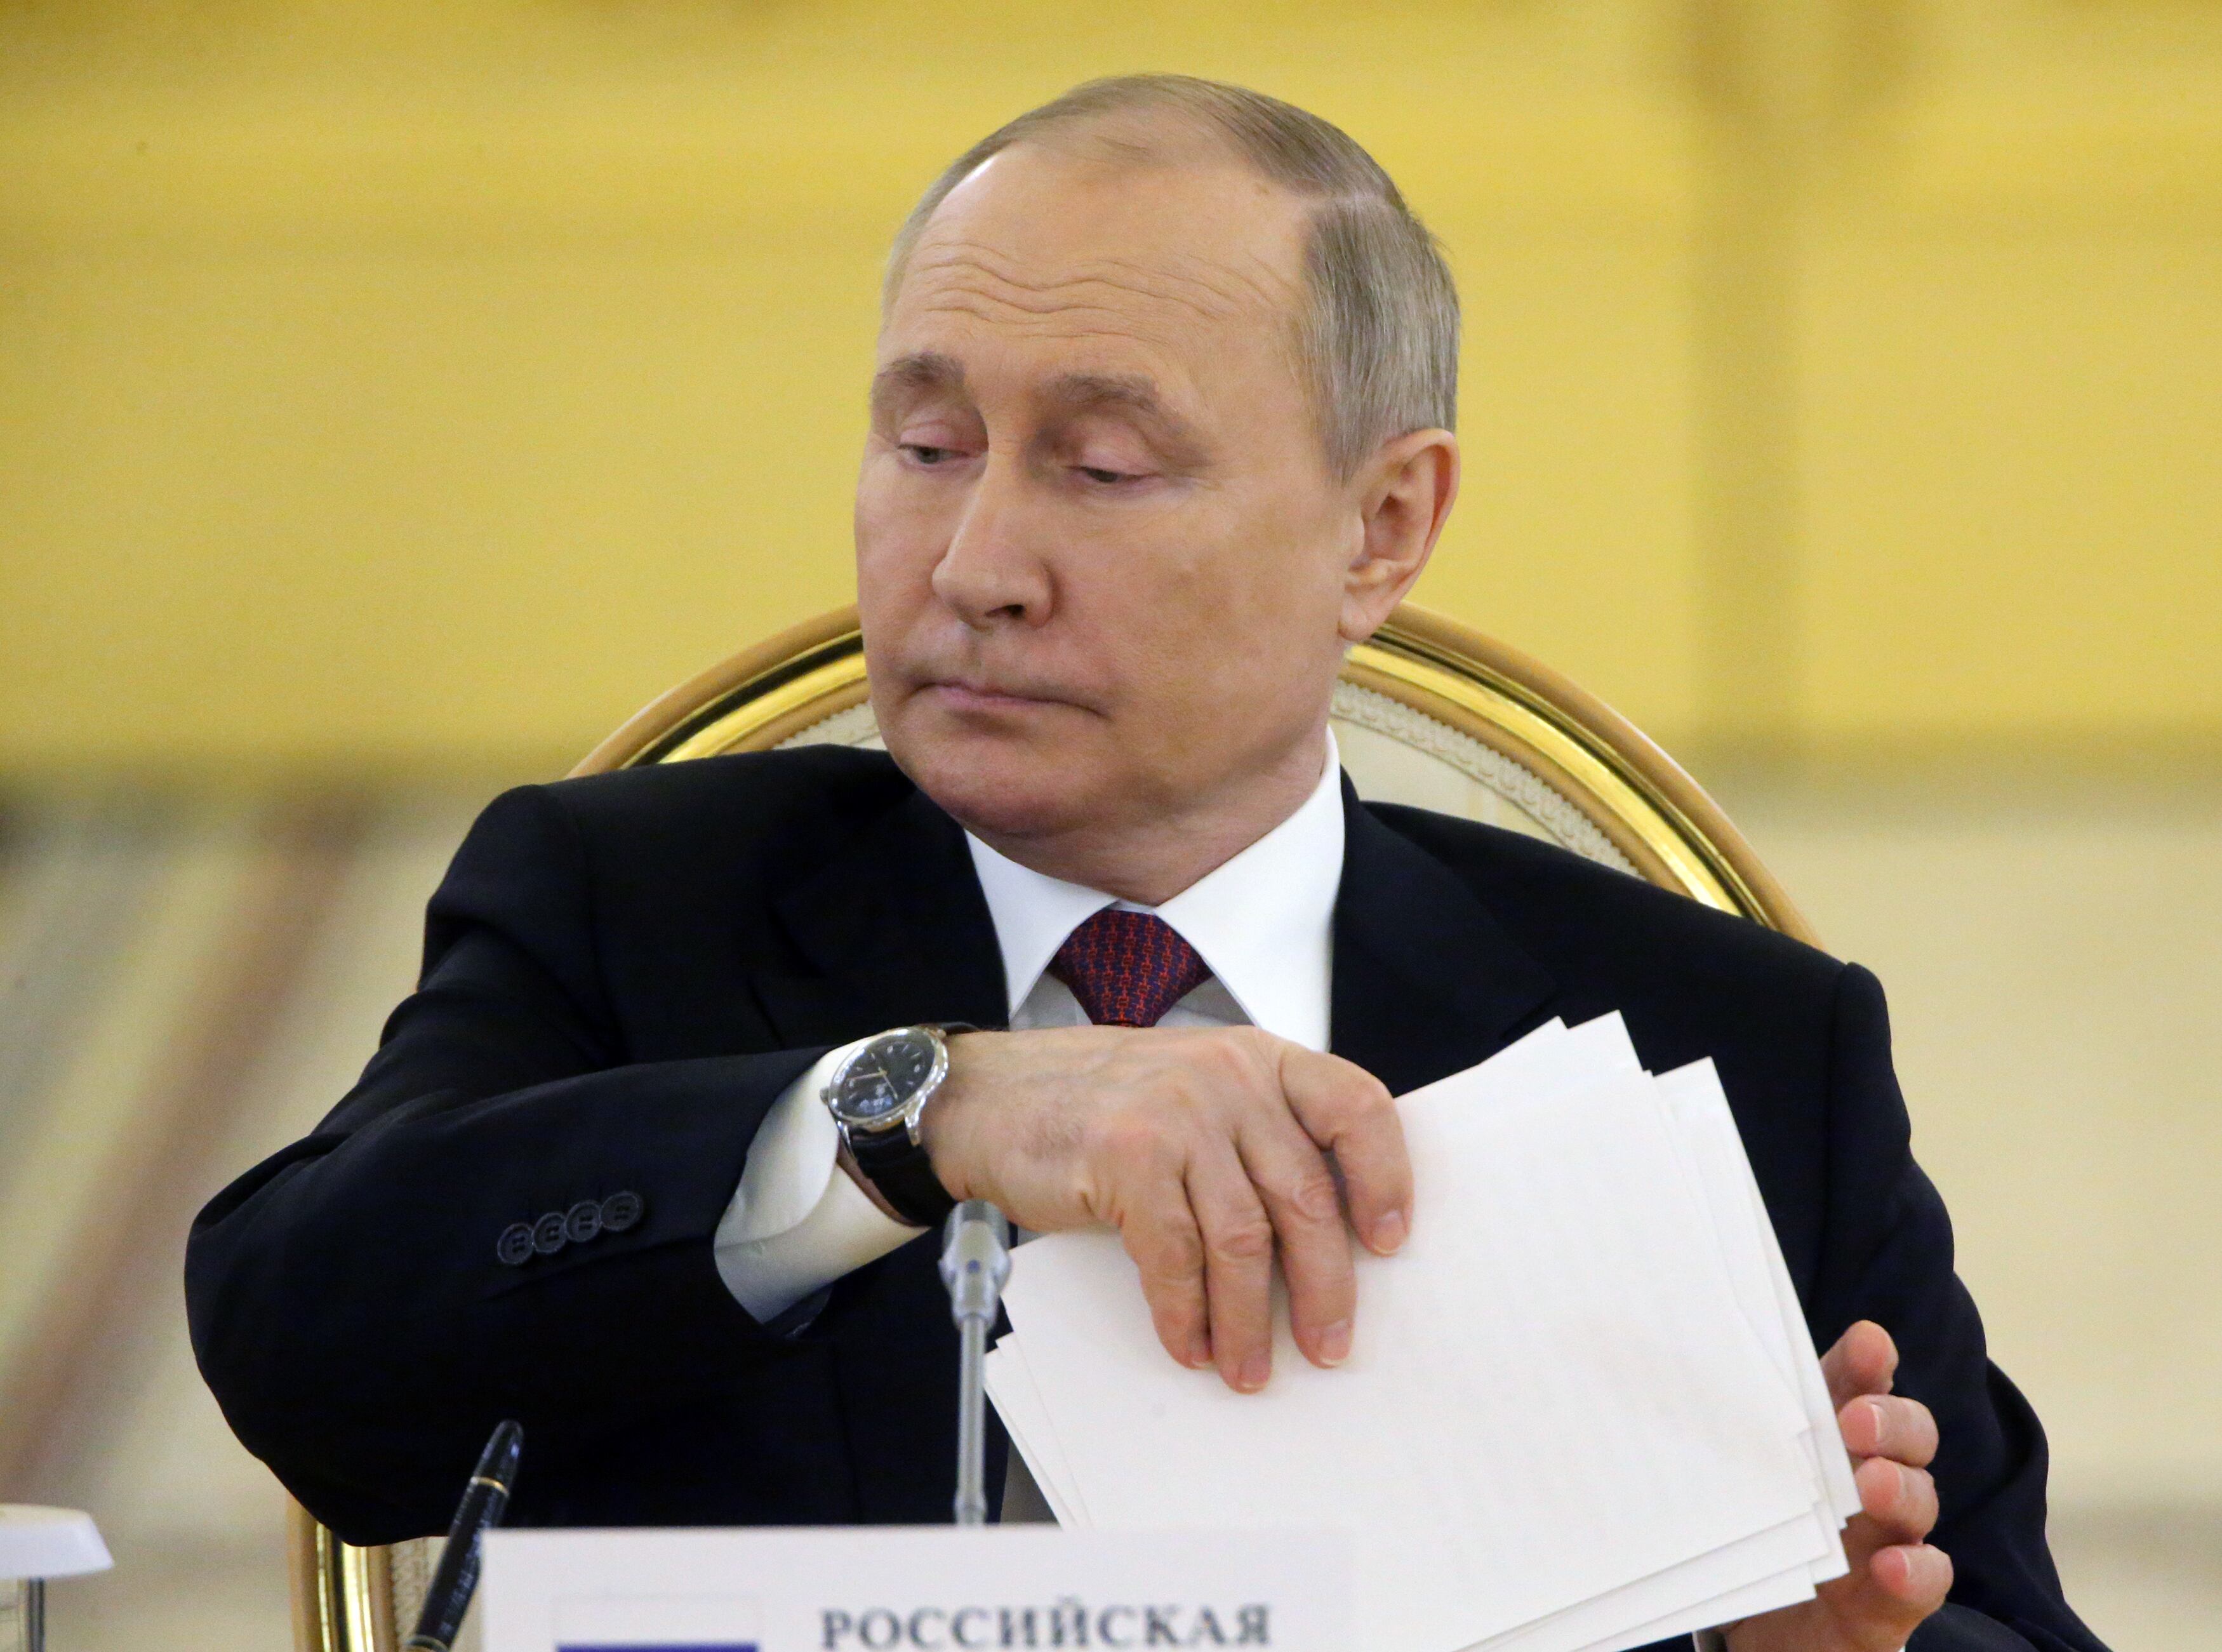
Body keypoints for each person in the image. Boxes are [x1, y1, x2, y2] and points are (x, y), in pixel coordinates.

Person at [185, 76, 2104, 1652]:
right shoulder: (633, 909)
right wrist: (919, 1105)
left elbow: (2005, 1622)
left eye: (1101, 471)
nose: (972, 564)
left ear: (1380, 523)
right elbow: (304, 1338)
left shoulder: (1722, 1044)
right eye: (926, 442)